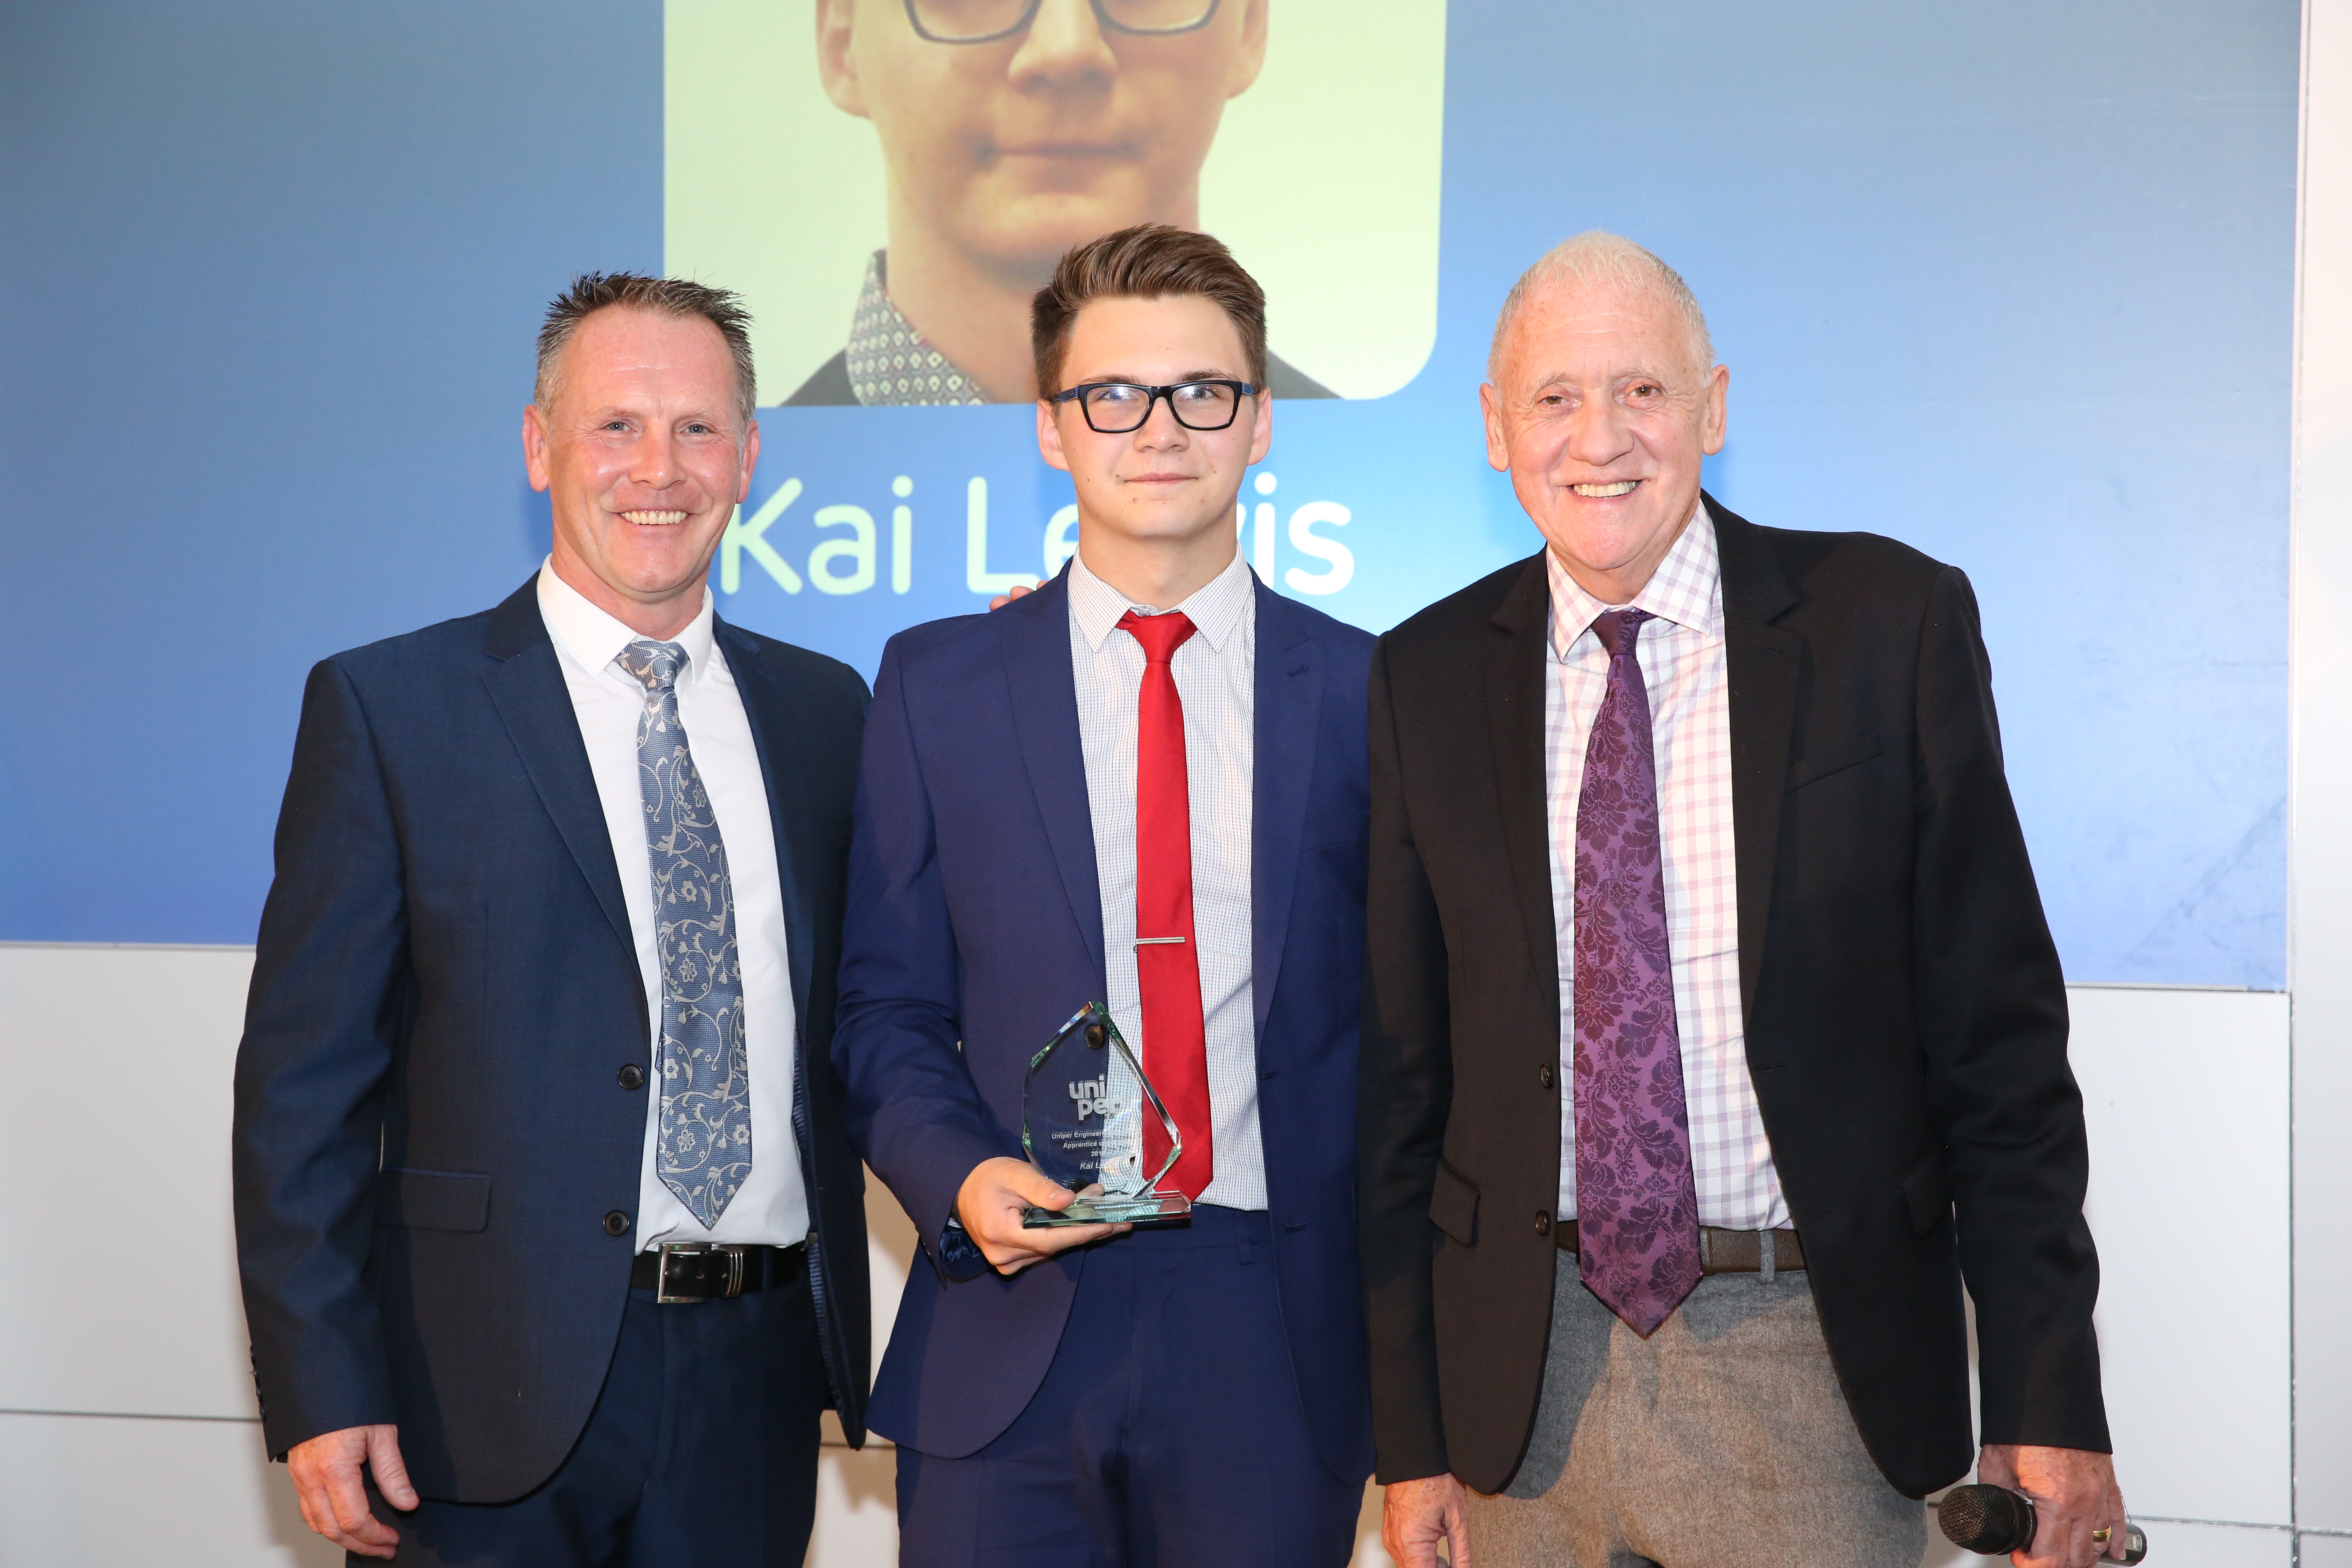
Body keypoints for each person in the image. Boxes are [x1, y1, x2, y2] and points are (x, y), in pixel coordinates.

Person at [1359, 233, 2128, 1568]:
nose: (1600, 438)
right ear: (1495, 428)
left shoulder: (1890, 626)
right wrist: (1410, 1434)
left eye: (1642, 392)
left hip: (1807, 1363)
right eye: (1553, 398)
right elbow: (1400, 1094)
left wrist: (2045, 1393)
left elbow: (2001, 1055)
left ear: (1713, 406)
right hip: (1521, 1387)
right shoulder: (1421, 677)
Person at [231, 274, 872, 1565]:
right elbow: (305, 1093)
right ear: (539, 448)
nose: (660, 468)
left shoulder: (829, 713)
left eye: (697, 429)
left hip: (754, 1385)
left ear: (749, 458)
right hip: (474, 1390)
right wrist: (323, 1386)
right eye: (615, 426)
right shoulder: (391, 708)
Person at [832, 222, 1373, 1563]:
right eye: (1112, 395)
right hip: (1013, 1316)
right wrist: (954, 1178)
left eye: (1206, 393)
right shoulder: (936, 684)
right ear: (1051, 428)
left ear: (1259, 425)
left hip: (1271, 1319)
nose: (1160, 428)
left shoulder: (1374, 692)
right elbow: (883, 1007)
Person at [793, 0, 1334, 405]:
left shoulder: (1389, 491)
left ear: (1249, 26)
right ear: (842, 39)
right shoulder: (724, 524)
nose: (1066, 48)